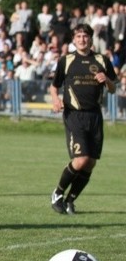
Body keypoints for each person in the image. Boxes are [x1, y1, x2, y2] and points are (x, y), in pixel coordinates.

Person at [49, 23, 117, 215]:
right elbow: (54, 86)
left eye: (85, 36)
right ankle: (58, 193)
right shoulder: (67, 60)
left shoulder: (102, 60)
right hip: (74, 115)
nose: (82, 39)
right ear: (73, 39)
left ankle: (71, 200)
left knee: (91, 163)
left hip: (95, 116)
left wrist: (107, 81)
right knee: (81, 160)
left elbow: (113, 89)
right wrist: (55, 101)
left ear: (90, 38)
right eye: (78, 36)